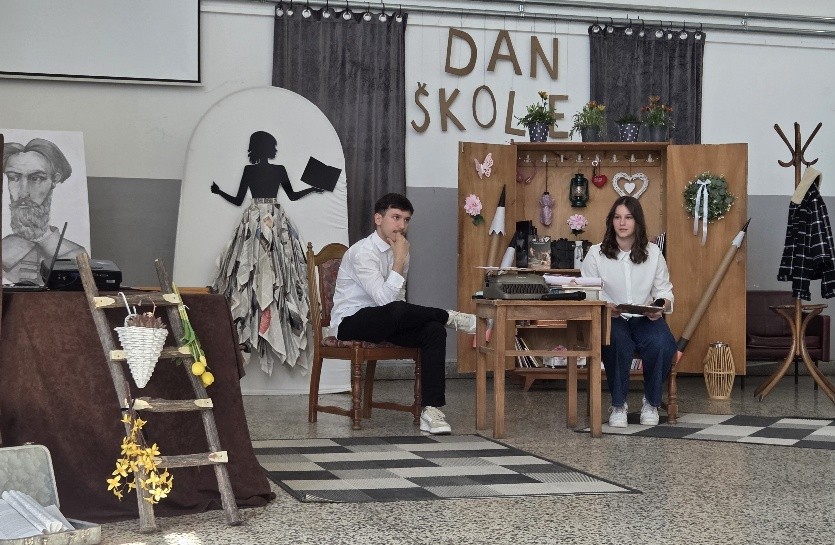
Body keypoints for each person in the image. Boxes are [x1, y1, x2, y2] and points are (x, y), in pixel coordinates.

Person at [330, 193, 476, 435]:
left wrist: (399, 257)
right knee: (396, 309)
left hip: (387, 320)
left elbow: (397, 300)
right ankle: (448, 316)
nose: (401, 226)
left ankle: (431, 410)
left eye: (406, 220)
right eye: (395, 217)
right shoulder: (362, 252)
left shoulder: (401, 250)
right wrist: (399, 259)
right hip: (351, 321)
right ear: (378, 219)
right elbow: (386, 301)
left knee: (433, 331)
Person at [210, 130, 323, 376]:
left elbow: (238, 199)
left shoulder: (252, 171)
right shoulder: (276, 169)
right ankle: (261, 321)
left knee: (267, 267)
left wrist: (219, 191)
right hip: (270, 218)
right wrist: (312, 189)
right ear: (267, 147)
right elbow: (292, 194)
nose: (275, 150)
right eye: (273, 146)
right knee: (264, 266)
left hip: (257, 218)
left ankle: (263, 320)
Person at [580, 196, 676, 428]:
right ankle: (618, 405)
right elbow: (586, 291)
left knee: (663, 343)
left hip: (645, 316)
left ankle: (651, 403)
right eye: (617, 217)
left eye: (628, 218)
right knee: (617, 342)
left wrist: (660, 306)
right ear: (611, 221)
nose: (622, 223)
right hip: (613, 317)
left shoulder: (653, 253)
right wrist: (605, 306)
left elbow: (664, 291)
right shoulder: (596, 253)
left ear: (637, 222)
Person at [3, 138, 85, 285]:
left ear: (54, 180)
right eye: (13, 178)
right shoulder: (3, 249)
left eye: (36, 178)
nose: (23, 193)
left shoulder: (75, 254)